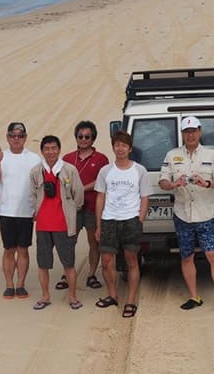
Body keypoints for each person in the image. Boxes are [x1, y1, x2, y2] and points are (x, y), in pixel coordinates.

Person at [158, 116, 214, 315]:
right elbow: (163, 181)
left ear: (200, 132)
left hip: (205, 214)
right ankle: (194, 296)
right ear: (182, 134)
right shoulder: (172, 155)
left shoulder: (211, 154)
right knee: (186, 256)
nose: (190, 134)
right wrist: (174, 184)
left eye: (193, 131)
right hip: (182, 215)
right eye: (187, 131)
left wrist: (207, 183)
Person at [94, 130, 150, 318]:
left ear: (130, 148)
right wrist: (99, 224)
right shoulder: (105, 171)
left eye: (124, 145)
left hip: (130, 220)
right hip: (109, 219)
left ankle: (131, 300)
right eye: (117, 145)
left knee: (131, 262)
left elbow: (144, 197)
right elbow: (100, 198)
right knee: (107, 262)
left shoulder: (139, 170)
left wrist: (139, 219)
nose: (120, 149)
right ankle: (112, 295)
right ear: (113, 147)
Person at [29, 135, 85, 310]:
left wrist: (70, 209)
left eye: (54, 148)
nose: (51, 152)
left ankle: (72, 297)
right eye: (47, 148)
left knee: (68, 263)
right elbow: (32, 195)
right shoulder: (36, 171)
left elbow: (79, 194)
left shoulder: (69, 170)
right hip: (43, 225)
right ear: (42, 151)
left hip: (63, 224)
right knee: (43, 264)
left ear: (59, 150)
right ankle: (45, 296)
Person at [0, 122, 41, 300]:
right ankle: (9, 284)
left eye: (20, 136)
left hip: (27, 211)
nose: (16, 139)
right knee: (9, 249)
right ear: (7, 137)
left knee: (23, 249)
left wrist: (37, 208)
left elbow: (39, 185)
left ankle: (21, 284)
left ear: (25, 137)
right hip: (7, 211)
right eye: (13, 136)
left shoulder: (34, 158)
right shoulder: (2, 156)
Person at [59, 120, 110, 291]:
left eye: (87, 136)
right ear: (76, 137)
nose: (83, 139)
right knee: (68, 241)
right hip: (72, 207)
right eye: (80, 136)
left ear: (93, 138)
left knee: (93, 241)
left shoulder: (101, 159)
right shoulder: (67, 158)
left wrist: (80, 188)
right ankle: (66, 274)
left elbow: (101, 181)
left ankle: (91, 274)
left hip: (92, 207)